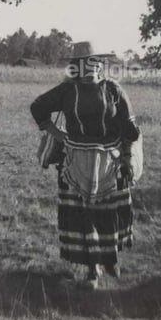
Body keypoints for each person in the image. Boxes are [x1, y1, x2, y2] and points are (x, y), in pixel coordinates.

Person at [30, 41, 141, 290]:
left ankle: (110, 259)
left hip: (109, 163)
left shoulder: (113, 89)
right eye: (81, 63)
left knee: (109, 213)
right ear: (75, 67)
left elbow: (129, 128)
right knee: (83, 217)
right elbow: (38, 107)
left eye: (92, 61)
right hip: (75, 162)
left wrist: (126, 156)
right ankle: (92, 269)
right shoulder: (67, 91)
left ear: (100, 64)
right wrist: (57, 134)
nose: (88, 67)